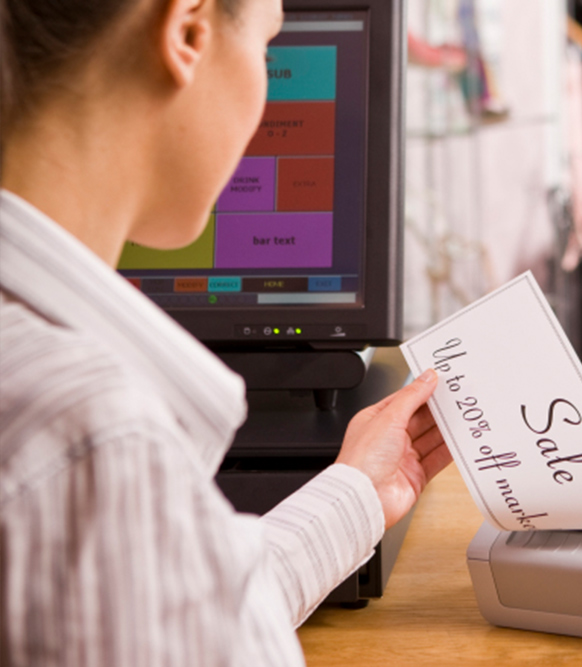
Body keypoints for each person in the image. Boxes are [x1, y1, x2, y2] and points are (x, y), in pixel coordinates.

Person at [0, 0, 450, 664]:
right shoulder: (90, 436)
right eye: (266, 53)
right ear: (188, 31)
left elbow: (165, 607)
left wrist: (354, 494)